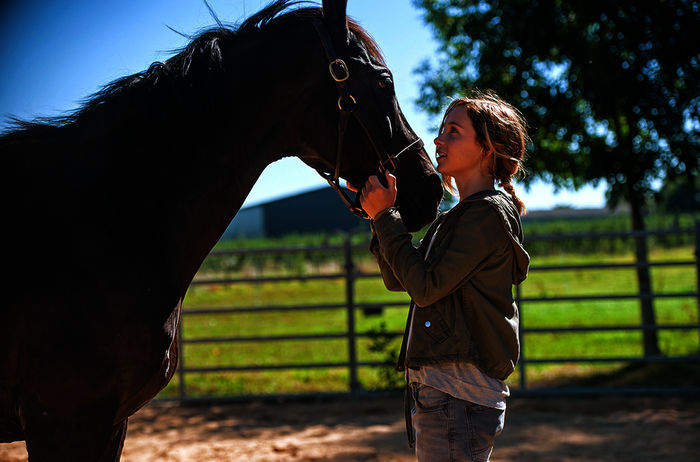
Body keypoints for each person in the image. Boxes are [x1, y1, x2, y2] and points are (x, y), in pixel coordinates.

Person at [349, 90, 530, 461]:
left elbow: (425, 288)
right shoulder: (459, 217)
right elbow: (400, 278)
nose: (438, 139)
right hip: (445, 394)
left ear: (487, 149)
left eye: (453, 131)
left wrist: (386, 218)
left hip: (457, 395)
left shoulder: (486, 216)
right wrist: (376, 215)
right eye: (441, 129)